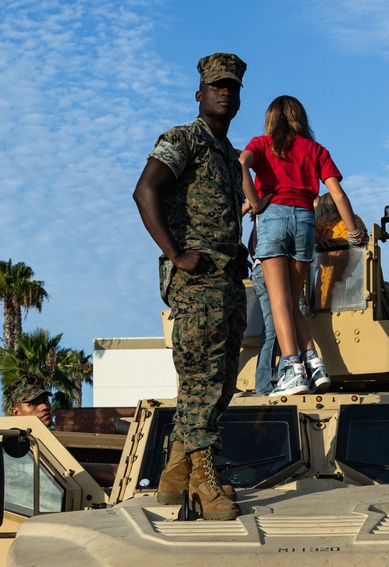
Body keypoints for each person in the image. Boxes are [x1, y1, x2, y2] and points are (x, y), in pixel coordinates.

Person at [132, 52, 248, 521]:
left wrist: (235, 252)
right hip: (196, 282)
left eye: (233, 86)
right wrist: (176, 254)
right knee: (201, 376)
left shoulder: (230, 155)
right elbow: (145, 191)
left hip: (226, 279)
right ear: (199, 93)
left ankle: (174, 471)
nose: (225, 91)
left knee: (219, 382)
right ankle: (203, 481)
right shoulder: (183, 139)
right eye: (217, 85)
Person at [239, 96, 365, 399]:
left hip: (274, 218)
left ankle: (292, 369)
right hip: (306, 221)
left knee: (280, 302)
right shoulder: (316, 150)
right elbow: (337, 193)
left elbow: (239, 164)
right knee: (293, 302)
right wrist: (354, 232)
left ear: (271, 118)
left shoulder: (261, 143)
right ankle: (315, 364)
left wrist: (255, 203)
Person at [246, 217, 278, 396]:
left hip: (259, 270)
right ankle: (283, 375)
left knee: (271, 329)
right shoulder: (281, 206)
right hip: (275, 268)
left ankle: (264, 383)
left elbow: (252, 245)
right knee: (295, 319)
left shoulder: (259, 212)